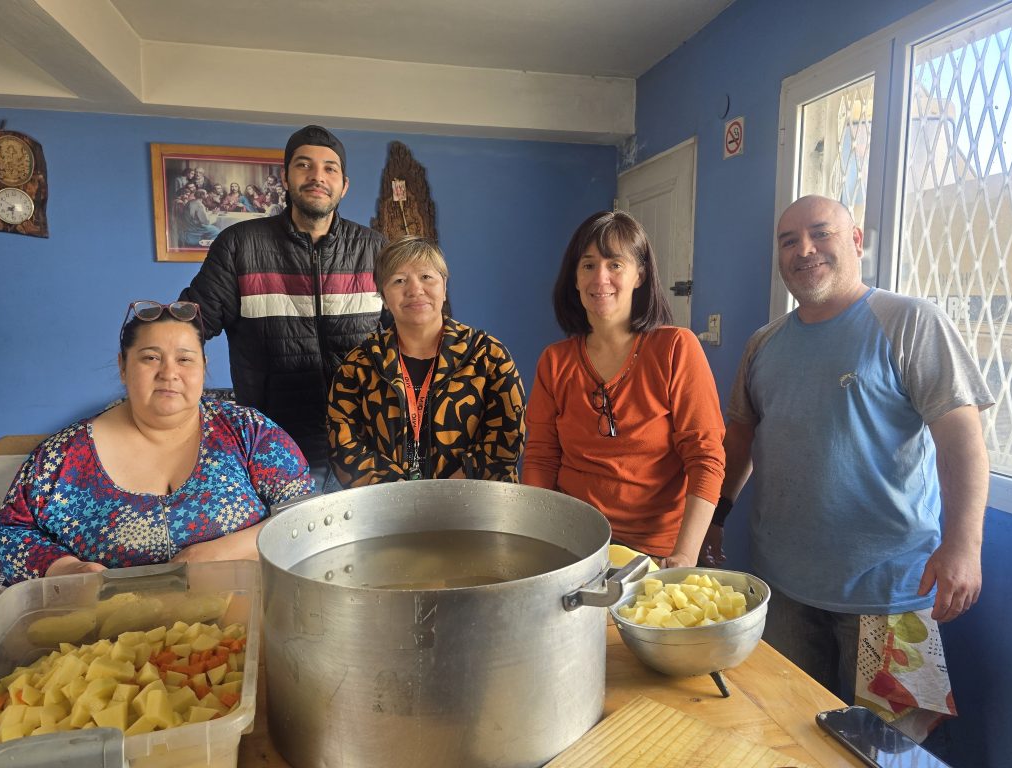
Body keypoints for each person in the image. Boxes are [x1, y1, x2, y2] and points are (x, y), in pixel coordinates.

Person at [702, 195, 992, 702]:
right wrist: (717, 516)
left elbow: (961, 441)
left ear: (856, 241)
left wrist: (964, 546)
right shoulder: (763, 343)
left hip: (890, 589)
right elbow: (742, 439)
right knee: (785, 723)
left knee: (892, 735)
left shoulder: (911, 322)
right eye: (789, 241)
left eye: (821, 233)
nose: (804, 250)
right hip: (782, 586)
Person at [0, 300, 314, 586]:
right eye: (150, 358)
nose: (169, 373)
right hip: (109, 629)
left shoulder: (248, 431)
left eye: (184, 359)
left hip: (247, 618)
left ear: (203, 367)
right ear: (123, 366)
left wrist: (220, 552)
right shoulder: (60, 457)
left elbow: (307, 514)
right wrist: (66, 568)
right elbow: (8, 533)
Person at [181, 125, 387, 490]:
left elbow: (413, 334)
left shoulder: (376, 250)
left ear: (344, 185)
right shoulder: (239, 245)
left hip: (366, 449)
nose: (317, 176)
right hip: (275, 452)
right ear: (285, 178)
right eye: (304, 165)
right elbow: (189, 325)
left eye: (329, 168)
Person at [522, 211, 725, 567]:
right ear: (575, 278)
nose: (600, 277)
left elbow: (706, 458)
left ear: (640, 275)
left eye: (615, 264)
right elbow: (541, 457)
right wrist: (536, 543)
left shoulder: (676, 348)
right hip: (573, 546)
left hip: (658, 555)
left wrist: (685, 554)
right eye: (588, 265)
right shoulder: (554, 361)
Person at [327, 236, 525, 486]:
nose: (415, 290)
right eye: (399, 280)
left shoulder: (488, 356)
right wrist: (400, 494)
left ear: (444, 286)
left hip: (476, 500)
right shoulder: (358, 365)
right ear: (384, 297)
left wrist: (451, 490)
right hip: (390, 504)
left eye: (426, 277)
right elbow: (343, 445)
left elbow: (508, 437)